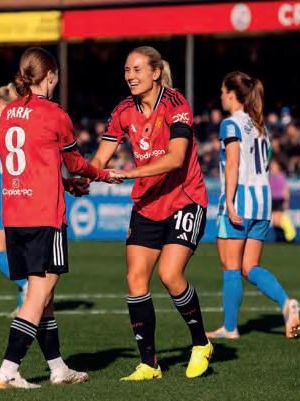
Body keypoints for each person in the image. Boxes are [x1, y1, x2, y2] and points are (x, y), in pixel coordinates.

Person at [0, 47, 121, 390]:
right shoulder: (54, 114)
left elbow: (26, 167)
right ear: (50, 76)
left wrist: (65, 184)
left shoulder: (7, 114)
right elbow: (76, 163)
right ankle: (8, 370)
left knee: (44, 298)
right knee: (40, 293)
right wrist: (103, 175)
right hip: (44, 216)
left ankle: (58, 368)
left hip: (15, 212)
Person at [91, 46, 212, 381]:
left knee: (170, 275)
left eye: (137, 70)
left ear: (156, 73)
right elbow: (100, 158)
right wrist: (86, 177)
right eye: (126, 70)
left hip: (185, 199)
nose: (130, 76)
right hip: (147, 203)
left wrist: (128, 174)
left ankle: (201, 343)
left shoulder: (176, 104)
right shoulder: (123, 110)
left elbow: (176, 158)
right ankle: (149, 364)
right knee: (135, 279)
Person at [205, 71, 300, 341]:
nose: (221, 97)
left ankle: (230, 327)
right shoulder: (260, 126)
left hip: (240, 200)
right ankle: (286, 303)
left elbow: (233, 163)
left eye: (223, 92)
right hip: (263, 203)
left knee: (231, 267)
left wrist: (230, 202)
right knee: (250, 267)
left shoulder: (230, 124)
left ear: (232, 94)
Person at [0, 84, 27, 313]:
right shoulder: (28, 118)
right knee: (22, 248)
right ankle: (23, 305)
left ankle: (26, 285)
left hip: (6, 189)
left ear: (0, 104)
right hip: (28, 188)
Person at [269, 160, 296, 242]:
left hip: (279, 199)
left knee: (279, 220)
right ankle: (280, 237)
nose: (272, 167)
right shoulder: (269, 176)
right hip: (272, 200)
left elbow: (285, 189)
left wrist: (286, 201)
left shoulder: (281, 176)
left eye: (274, 165)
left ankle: (287, 237)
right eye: (272, 165)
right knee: (275, 221)